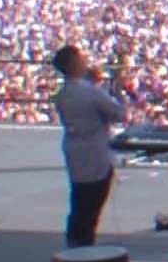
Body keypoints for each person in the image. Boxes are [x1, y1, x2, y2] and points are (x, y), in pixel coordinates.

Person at [52, 45, 126, 247]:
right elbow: (118, 113)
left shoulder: (63, 93)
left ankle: (75, 242)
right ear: (74, 64)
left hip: (74, 148)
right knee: (92, 202)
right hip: (95, 151)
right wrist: (112, 89)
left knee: (78, 199)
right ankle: (84, 245)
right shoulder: (90, 92)